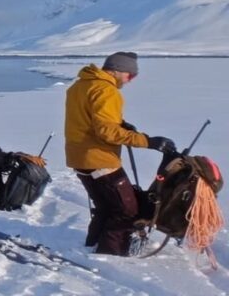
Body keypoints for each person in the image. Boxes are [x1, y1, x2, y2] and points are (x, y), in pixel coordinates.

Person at [65, 51, 175, 256]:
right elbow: (107, 132)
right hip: (100, 159)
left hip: (79, 157)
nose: (130, 80)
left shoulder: (79, 86)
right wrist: (149, 141)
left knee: (105, 207)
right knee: (127, 211)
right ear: (116, 71)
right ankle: (111, 255)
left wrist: (121, 124)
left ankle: (91, 246)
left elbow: (90, 119)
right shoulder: (106, 90)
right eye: (130, 75)